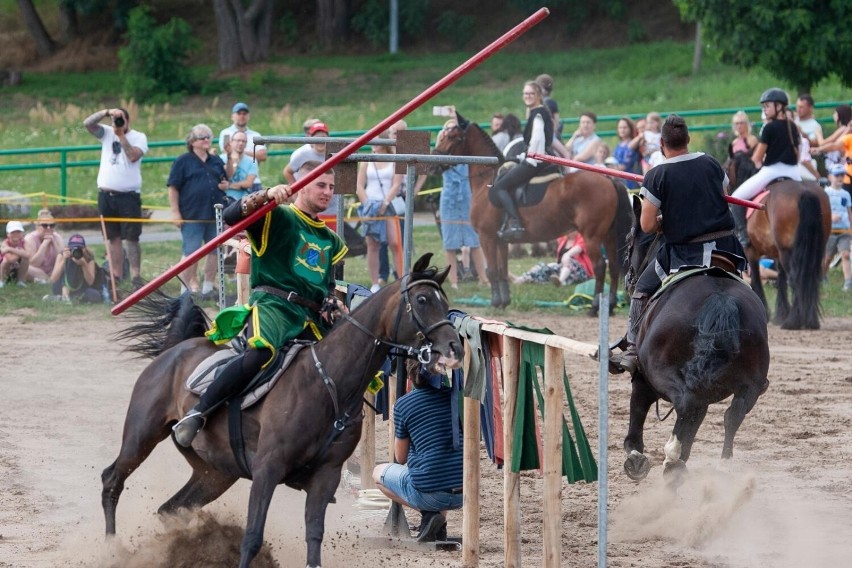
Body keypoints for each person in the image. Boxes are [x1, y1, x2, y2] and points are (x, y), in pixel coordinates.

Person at [173, 161, 348, 447]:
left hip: (309, 317)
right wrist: (265, 195)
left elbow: (327, 282)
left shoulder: (331, 240)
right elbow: (231, 215)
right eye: (320, 185)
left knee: (343, 363)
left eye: (331, 187)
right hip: (274, 306)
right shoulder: (277, 216)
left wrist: (330, 300)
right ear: (301, 185)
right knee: (259, 354)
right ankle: (199, 412)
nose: (328, 192)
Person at [609, 114, 746, 375]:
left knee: (641, 288)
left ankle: (633, 347)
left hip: (684, 252)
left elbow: (647, 226)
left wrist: (665, 220)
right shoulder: (711, 163)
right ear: (688, 140)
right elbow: (724, 197)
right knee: (741, 290)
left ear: (661, 143)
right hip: (725, 247)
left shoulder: (657, 174)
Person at [372, 362, 463, 543]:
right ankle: (439, 525)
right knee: (440, 467)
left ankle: (429, 514)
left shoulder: (403, 405)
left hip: (431, 495)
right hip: (464, 492)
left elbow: (400, 457)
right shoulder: (454, 397)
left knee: (377, 474)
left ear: (411, 378)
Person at [83, 106, 148, 288]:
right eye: (116, 120)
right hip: (106, 194)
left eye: (121, 119)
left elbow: (133, 156)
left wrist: (121, 135)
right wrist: (105, 112)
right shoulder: (106, 132)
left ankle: (135, 276)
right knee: (112, 238)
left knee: (132, 237)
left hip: (128, 195)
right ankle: (116, 275)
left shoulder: (139, 137)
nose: (118, 123)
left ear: (128, 121)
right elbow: (87, 124)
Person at [730, 89, 802, 248]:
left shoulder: (769, 128)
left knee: (736, 198)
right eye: (764, 107)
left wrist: (755, 161)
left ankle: (743, 236)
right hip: (794, 172)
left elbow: (756, 159)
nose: (765, 110)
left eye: (767, 106)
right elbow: (797, 155)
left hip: (771, 171)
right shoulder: (793, 126)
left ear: (779, 106)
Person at [167, 124, 229, 297]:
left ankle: (208, 288)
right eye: (202, 137)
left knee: (216, 251)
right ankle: (184, 291)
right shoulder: (182, 161)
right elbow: (173, 187)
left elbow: (224, 180)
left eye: (209, 137)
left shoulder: (216, 160)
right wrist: (175, 212)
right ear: (192, 142)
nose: (207, 140)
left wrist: (225, 185)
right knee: (190, 252)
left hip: (215, 214)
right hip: (191, 215)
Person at [488, 80, 553, 241]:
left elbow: (537, 138)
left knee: (500, 186)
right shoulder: (540, 111)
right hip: (537, 157)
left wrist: (530, 157)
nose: (528, 96)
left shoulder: (537, 113)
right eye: (525, 93)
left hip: (535, 161)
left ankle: (516, 223)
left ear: (538, 95)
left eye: (531, 93)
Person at [435, 118, 489, 289]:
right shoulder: (443, 151)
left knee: (474, 240)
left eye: (454, 128)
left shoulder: (465, 148)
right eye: (447, 128)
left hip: (467, 197)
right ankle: (453, 282)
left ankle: (484, 278)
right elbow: (434, 163)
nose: (451, 131)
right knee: (449, 242)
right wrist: (440, 140)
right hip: (449, 198)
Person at [356, 129, 404, 292]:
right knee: (373, 244)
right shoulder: (366, 161)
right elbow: (359, 186)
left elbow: (396, 184)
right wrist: (367, 205)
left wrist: (385, 202)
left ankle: (402, 277)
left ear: (384, 143)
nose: (373, 145)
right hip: (370, 205)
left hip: (388, 205)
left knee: (395, 243)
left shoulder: (394, 160)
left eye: (376, 141)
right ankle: (375, 282)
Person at [218, 102, 267, 191]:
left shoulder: (256, 135)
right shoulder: (225, 133)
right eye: (239, 113)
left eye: (244, 114)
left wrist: (239, 151)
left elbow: (263, 156)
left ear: (248, 116)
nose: (242, 116)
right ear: (232, 116)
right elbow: (226, 152)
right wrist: (252, 154)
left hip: (254, 180)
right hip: (232, 180)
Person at [44, 233, 104, 303]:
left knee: (95, 296)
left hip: (82, 288)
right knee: (70, 261)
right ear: (68, 248)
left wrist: (84, 264)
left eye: (79, 248)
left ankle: (63, 299)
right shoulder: (62, 255)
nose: (76, 251)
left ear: (84, 249)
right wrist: (64, 260)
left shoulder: (88, 258)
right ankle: (66, 296)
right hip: (61, 286)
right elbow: (53, 279)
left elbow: (90, 282)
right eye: (73, 248)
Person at [823, 164, 852, 291]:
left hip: (844, 231)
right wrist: (830, 217)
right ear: (830, 177)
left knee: (845, 254)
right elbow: (821, 212)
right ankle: (822, 275)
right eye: (837, 175)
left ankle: (848, 282)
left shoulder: (846, 194)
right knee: (828, 257)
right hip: (830, 231)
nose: (840, 178)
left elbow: (849, 211)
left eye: (842, 175)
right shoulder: (826, 193)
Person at [816, 106, 852, 193]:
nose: (833, 116)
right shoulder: (846, 130)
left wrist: (818, 133)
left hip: (838, 163)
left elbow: (823, 143)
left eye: (835, 113)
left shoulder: (843, 129)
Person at [24, 209, 63, 284]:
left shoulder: (57, 238)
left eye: (52, 225)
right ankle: (47, 280)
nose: (48, 228)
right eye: (45, 225)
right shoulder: (30, 239)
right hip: (37, 271)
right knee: (26, 268)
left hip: (53, 270)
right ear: (37, 227)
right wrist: (44, 245)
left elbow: (61, 259)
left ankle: (49, 280)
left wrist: (54, 243)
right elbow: (33, 264)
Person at [535, 73, 570, 158]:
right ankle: (567, 170)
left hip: (537, 133)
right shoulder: (551, 103)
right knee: (566, 154)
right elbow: (556, 122)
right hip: (549, 135)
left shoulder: (535, 103)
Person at [223, 130, 258, 203]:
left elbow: (248, 183)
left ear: (246, 144)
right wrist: (234, 161)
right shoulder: (221, 158)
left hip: (242, 200)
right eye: (238, 140)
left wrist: (228, 185)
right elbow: (224, 178)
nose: (241, 143)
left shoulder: (252, 161)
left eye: (243, 141)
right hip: (224, 198)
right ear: (231, 142)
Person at [612, 117, 641, 189]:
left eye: (625, 127)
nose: (622, 130)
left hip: (629, 179)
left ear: (630, 129)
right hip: (617, 176)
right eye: (620, 127)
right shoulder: (619, 145)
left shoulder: (633, 143)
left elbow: (625, 165)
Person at [1, 220, 30, 288]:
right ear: (8, 234)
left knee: (25, 259)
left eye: (18, 232)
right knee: (5, 261)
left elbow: (28, 255)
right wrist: (20, 251)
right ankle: (1, 280)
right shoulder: (5, 243)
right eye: (13, 232)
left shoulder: (24, 242)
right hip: (6, 270)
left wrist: (10, 249)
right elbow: (10, 259)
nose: (16, 234)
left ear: (22, 233)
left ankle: (20, 281)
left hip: (16, 269)